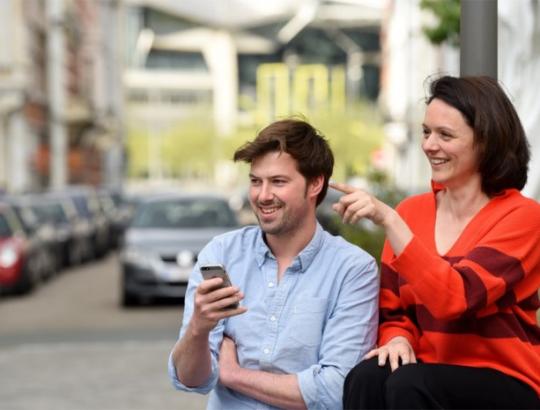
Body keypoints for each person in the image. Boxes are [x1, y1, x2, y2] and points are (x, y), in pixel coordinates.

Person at [332, 75, 540, 409]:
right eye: (427, 132)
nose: (429, 145)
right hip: (428, 372)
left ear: (486, 142)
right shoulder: (412, 212)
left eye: (445, 135)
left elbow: (455, 299)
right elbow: (394, 309)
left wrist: (389, 221)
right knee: (367, 376)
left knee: (410, 384)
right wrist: (397, 337)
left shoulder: (523, 217)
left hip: (507, 381)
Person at [168, 118, 379, 409]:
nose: (262, 195)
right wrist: (198, 329)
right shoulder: (222, 254)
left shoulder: (353, 269)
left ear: (315, 183)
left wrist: (233, 374)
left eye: (278, 182)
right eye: (256, 181)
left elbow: (336, 390)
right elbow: (191, 380)